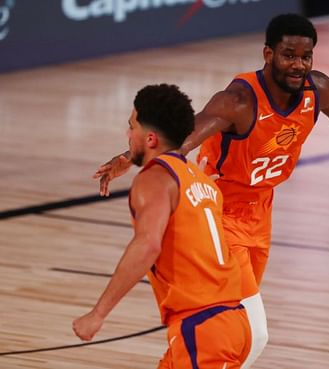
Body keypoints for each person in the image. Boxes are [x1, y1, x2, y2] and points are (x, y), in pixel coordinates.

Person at [94, 13, 329, 366]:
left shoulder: (319, 90)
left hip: (260, 213)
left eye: (305, 56)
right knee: (252, 332)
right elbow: (183, 141)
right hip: (217, 217)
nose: (298, 65)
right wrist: (132, 156)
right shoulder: (238, 101)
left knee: (236, 334)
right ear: (268, 54)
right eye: (288, 55)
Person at [73, 84, 251, 369]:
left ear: (151, 138)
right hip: (229, 321)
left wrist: (98, 313)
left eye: (132, 126)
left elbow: (147, 245)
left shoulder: (154, 180)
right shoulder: (201, 180)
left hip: (202, 327)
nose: (127, 135)